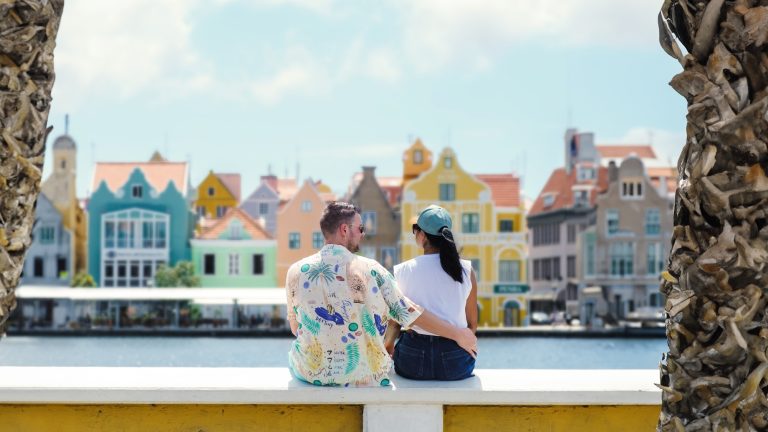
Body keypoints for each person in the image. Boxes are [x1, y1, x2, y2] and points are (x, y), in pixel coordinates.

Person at [285, 201, 477, 387]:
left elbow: (296, 328)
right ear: (344, 230)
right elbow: (409, 312)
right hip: (363, 374)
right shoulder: (373, 270)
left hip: (309, 372)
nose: (363, 234)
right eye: (360, 228)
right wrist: (458, 334)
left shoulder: (294, 271)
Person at [384, 205, 478, 381]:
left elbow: (395, 323)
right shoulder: (467, 270)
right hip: (455, 362)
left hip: (412, 359)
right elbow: (472, 324)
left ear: (422, 235)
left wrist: (388, 346)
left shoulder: (402, 270)